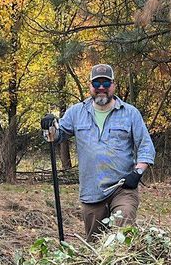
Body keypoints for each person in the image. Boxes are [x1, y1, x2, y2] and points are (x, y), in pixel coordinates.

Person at [40, 64, 156, 239]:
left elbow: (146, 146)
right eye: (96, 83)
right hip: (92, 192)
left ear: (113, 85)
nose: (101, 88)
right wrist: (49, 125)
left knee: (122, 236)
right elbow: (55, 136)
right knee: (95, 244)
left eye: (106, 83)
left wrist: (137, 173)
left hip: (122, 187)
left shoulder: (130, 113)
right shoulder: (76, 112)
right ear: (90, 86)